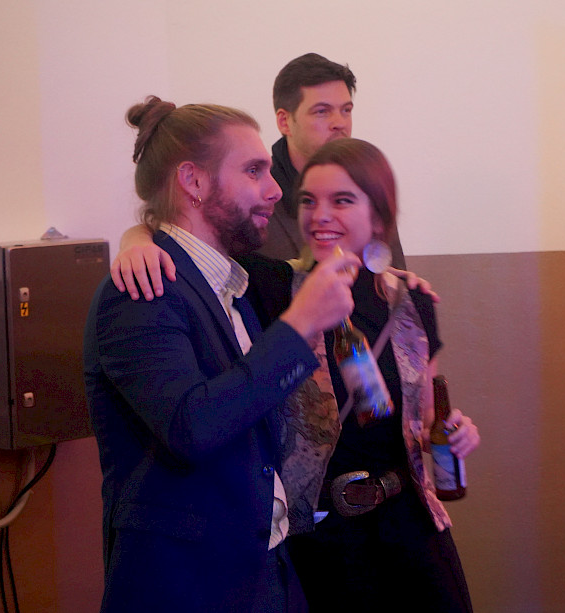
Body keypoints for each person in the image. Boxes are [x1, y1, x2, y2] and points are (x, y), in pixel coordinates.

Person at [113, 138, 480, 612]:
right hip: (321, 541)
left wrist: (453, 433)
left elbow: (425, 420)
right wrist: (134, 241)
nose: (319, 215)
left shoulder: (413, 302)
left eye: (341, 201)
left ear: (379, 215)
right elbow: (183, 235)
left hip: (411, 532)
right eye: (308, 201)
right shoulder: (270, 286)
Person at [84, 95, 360, 613]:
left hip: (262, 571)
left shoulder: (231, 287)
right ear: (193, 180)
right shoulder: (142, 289)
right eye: (254, 170)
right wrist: (300, 326)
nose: (275, 189)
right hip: (190, 586)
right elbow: (191, 426)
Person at [114, 53, 405, 301]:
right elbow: (189, 228)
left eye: (346, 110)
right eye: (321, 111)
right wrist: (137, 239)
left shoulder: (367, 187)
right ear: (284, 121)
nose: (339, 123)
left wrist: (405, 296)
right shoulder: (252, 198)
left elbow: (392, 277)